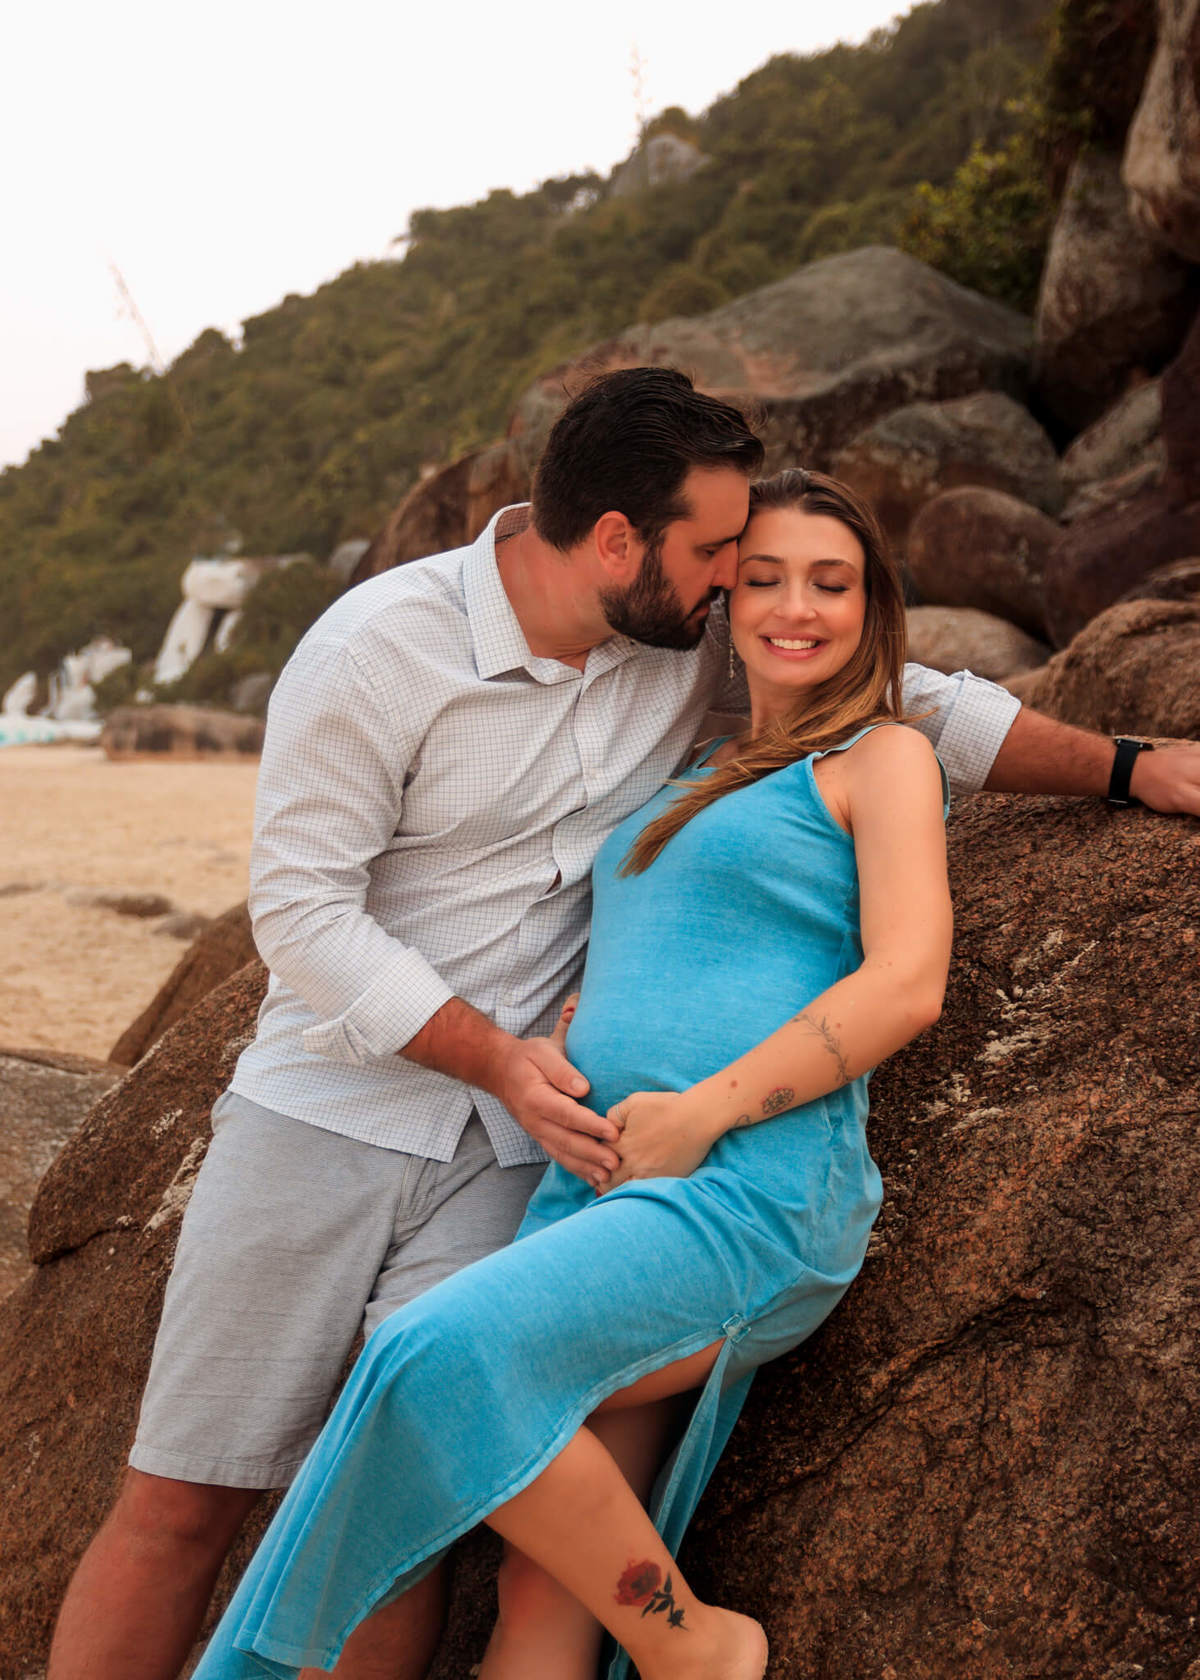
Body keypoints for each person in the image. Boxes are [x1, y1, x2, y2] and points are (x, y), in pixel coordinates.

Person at [49, 370, 1200, 1680]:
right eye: (722, 557)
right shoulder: (378, 649)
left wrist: (1121, 763)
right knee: (182, 1498)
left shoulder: (688, 640)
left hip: (543, 1155)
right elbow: (301, 915)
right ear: (616, 542)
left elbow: (913, 704)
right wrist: (497, 1054)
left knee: (425, 1503)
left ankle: (683, 1646)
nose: (739, 586)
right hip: (335, 1111)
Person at [189, 464, 952, 1680]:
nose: (794, 608)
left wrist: (702, 1114)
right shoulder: (689, 765)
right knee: (540, 1594)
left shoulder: (880, 757)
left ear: (876, 606)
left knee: (429, 1360)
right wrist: (567, 1027)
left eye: (832, 582)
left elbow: (908, 980)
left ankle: (698, 1649)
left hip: (742, 1189)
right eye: (760, 579)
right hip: (593, 1188)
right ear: (717, 598)